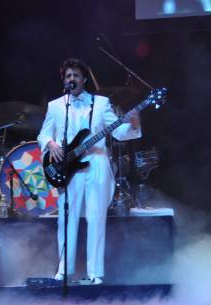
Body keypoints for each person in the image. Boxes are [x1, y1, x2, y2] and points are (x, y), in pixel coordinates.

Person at [37, 58, 142, 285]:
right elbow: (43, 134)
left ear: (84, 79)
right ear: (64, 80)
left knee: (96, 218)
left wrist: (133, 124)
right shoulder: (55, 106)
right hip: (67, 166)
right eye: (68, 76)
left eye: (76, 75)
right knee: (67, 218)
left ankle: (95, 273)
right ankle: (64, 270)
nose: (72, 79)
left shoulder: (101, 103)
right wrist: (51, 144)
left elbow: (118, 132)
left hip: (96, 164)